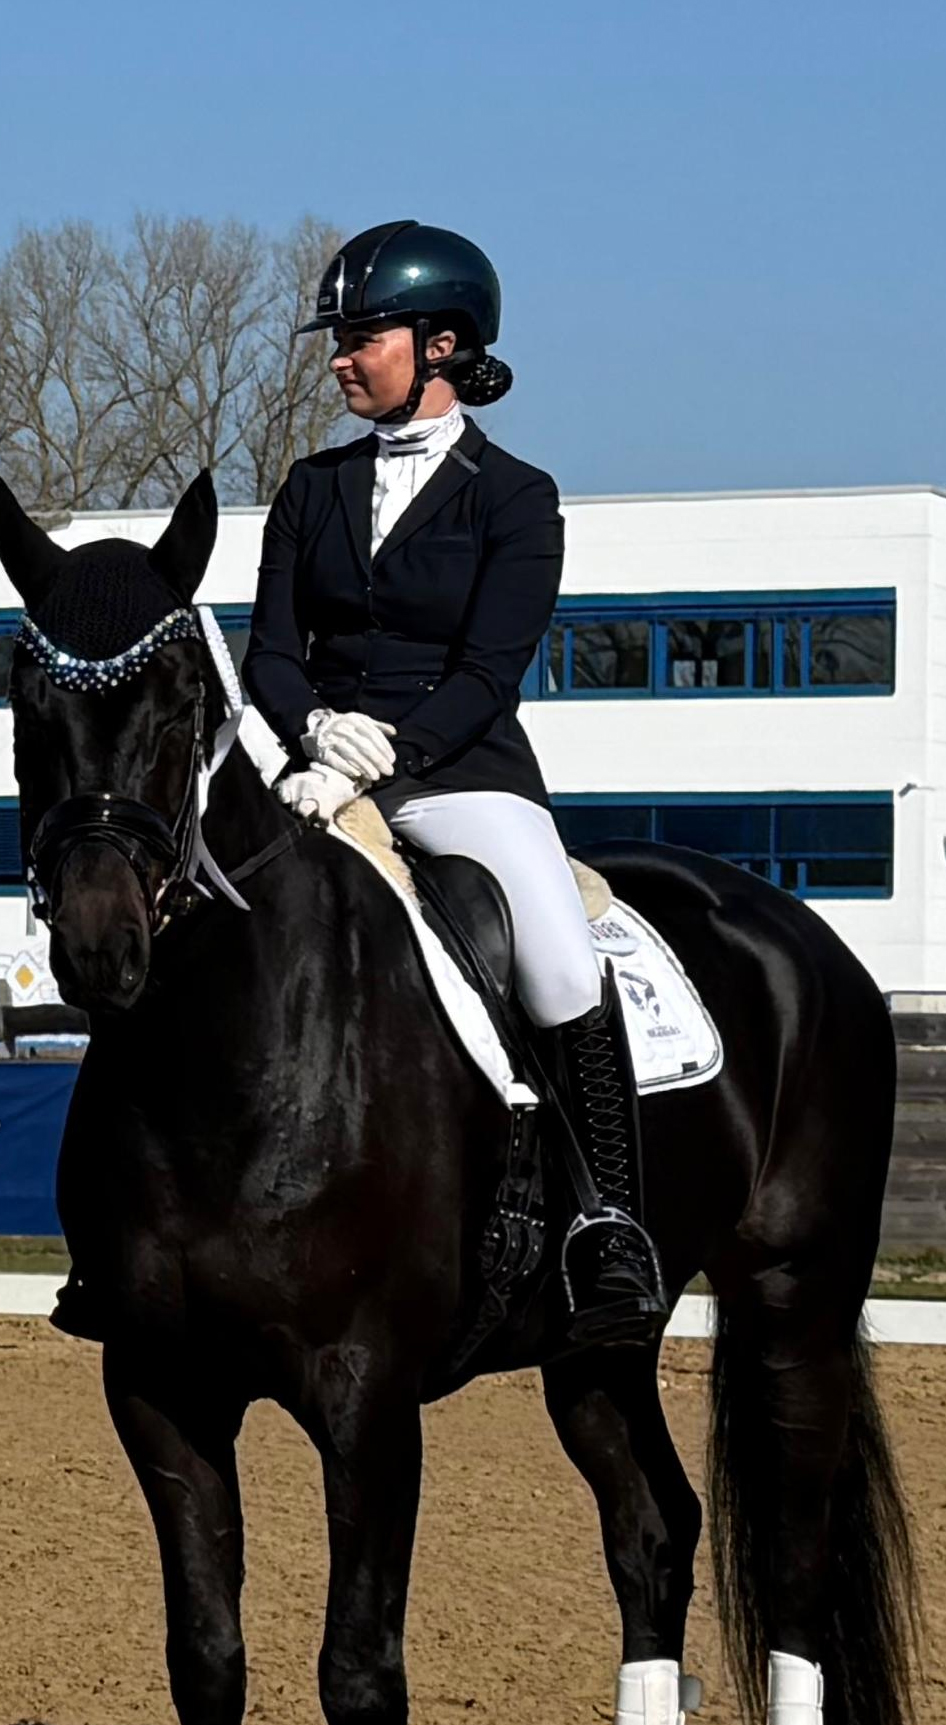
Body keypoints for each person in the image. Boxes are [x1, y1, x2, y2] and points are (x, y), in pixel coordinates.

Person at [244, 221, 663, 1344]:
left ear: (439, 345)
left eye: (359, 335)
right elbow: (269, 651)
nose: (339, 356)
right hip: (315, 775)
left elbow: (489, 669)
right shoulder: (310, 487)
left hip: (460, 777)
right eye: (338, 337)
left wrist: (397, 751)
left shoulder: (514, 497)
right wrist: (317, 733)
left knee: (557, 951)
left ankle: (607, 1222)